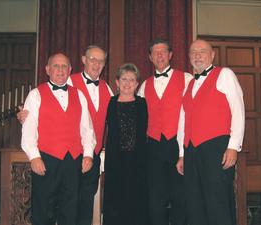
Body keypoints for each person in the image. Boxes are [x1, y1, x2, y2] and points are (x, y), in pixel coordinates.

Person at [18, 45, 112, 225]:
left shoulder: (80, 95)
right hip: (46, 160)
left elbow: (87, 129)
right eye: (56, 66)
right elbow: (29, 130)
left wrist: (87, 155)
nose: (60, 70)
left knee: (71, 211)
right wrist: (34, 157)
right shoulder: (36, 94)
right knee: (43, 210)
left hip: (73, 162)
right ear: (47, 69)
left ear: (70, 70)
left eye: (64, 67)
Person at [176, 39, 245, 225]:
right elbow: (183, 121)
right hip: (191, 150)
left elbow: (238, 110)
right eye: (193, 52)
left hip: (216, 147)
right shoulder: (189, 85)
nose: (197, 55)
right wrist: (182, 154)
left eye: (202, 51)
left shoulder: (225, 74)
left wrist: (233, 147)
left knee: (217, 203)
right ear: (189, 57)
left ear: (212, 55)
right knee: (194, 204)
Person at [137, 38, 192, 225]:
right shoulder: (144, 86)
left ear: (170, 55)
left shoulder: (187, 79)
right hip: (153, 146)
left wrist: (185, 151)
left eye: (163, 52)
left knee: (181, 196)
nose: (159, 55)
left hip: (178, 144)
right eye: (155, 52)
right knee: (155, 198)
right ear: (150, 57)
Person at [69, 45, 112, 225]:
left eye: (100, 60)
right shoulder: (69, 82)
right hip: (70, 154)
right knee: (68, 202)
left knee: (87, 201)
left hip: (93, 155)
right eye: (92, 59)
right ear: (84, 60)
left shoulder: (106, 88)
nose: (96, 64)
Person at [103, 63, 149, 225]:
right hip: (115, 160)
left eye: (132, 79)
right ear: (117, 82)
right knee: (115, 200)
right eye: (124, 79)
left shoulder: (143, 104)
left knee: (136, 200)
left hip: (138, 162)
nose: (127, 83)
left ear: (137, 84)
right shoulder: (109, 103)